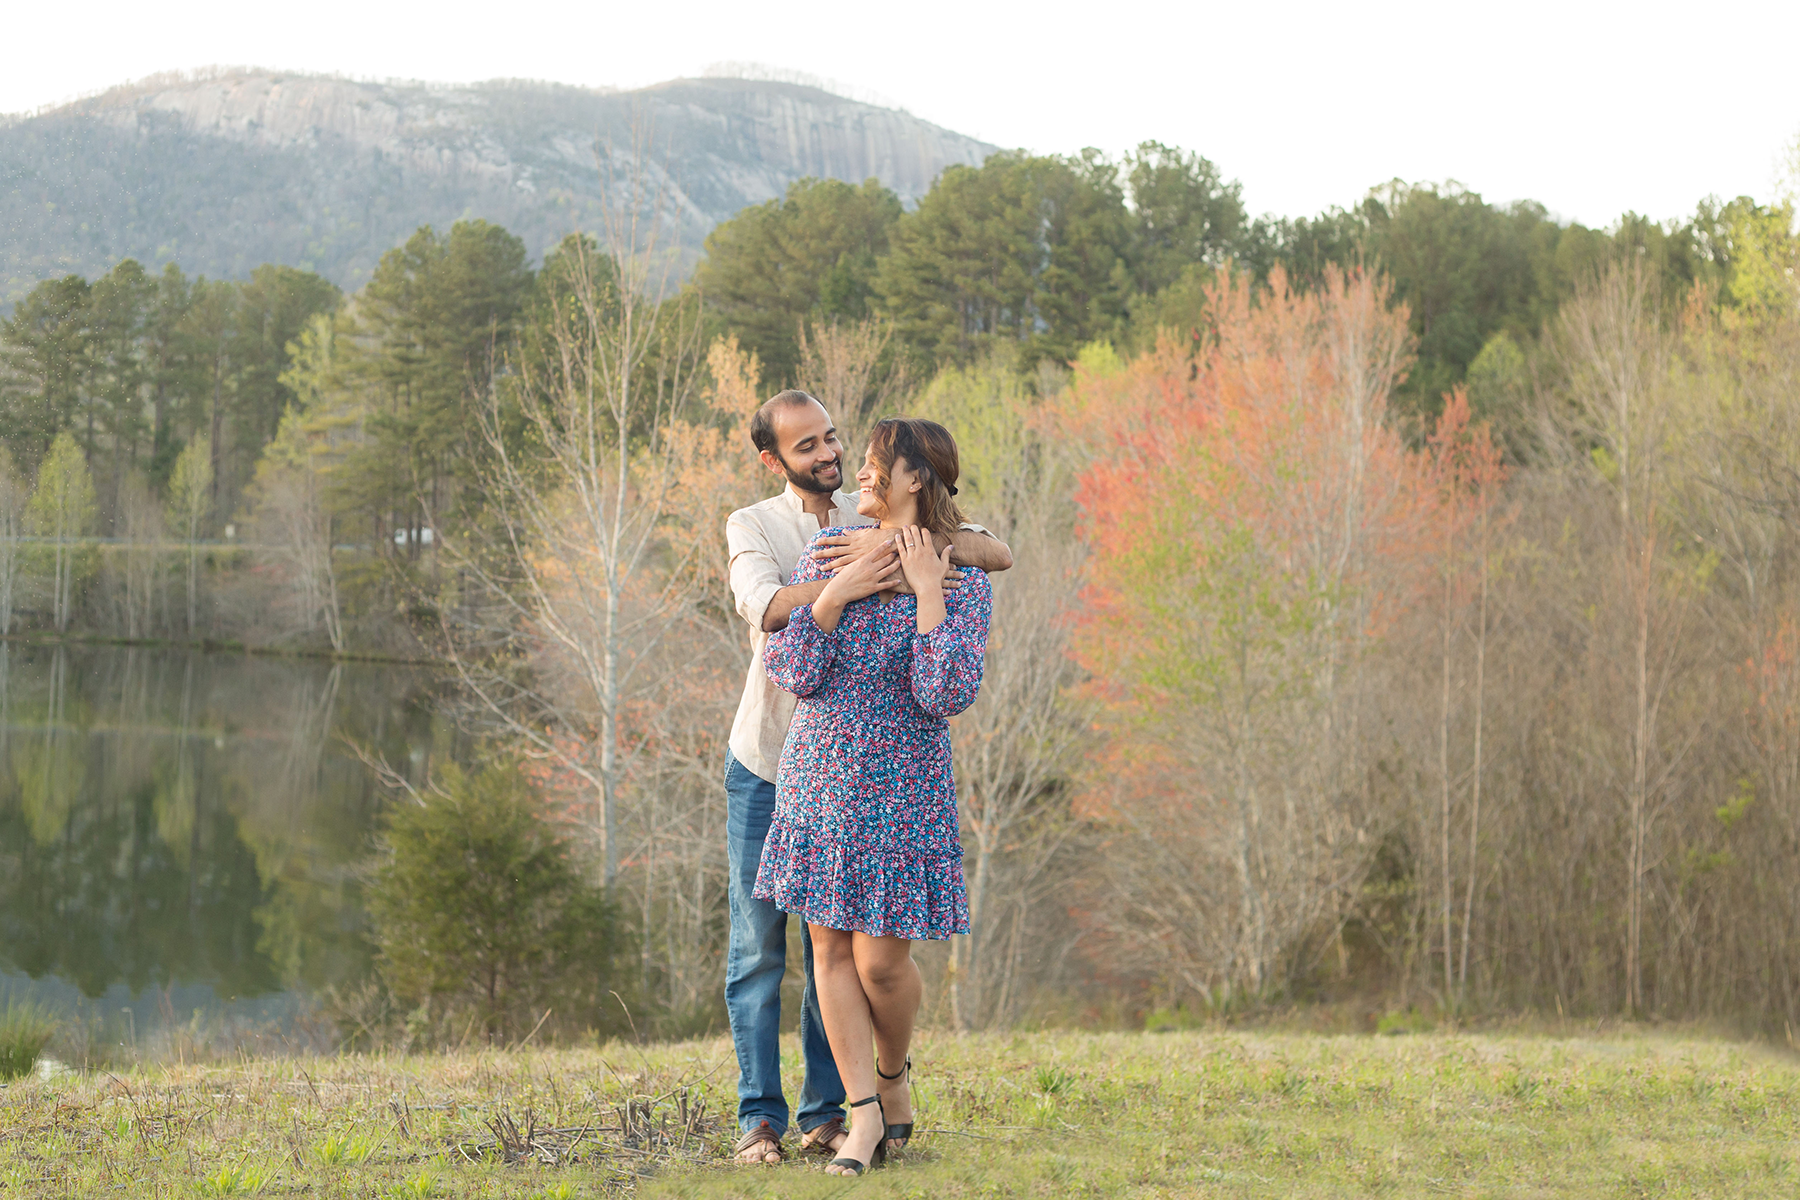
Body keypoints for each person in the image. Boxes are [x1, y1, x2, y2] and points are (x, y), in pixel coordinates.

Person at [724, 393, 1012, 1165]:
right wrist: (839, 591)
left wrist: (922, 590)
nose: (857, 472)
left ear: (916, 479)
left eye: (875, 464)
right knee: (822, 954)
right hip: (818, 775)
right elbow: (791, 667)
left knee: (882, 962)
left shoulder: (959, 578)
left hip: (903, 788)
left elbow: (942, 694)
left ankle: (892, 1079)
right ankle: (858, 1116)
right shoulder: (832, 552)